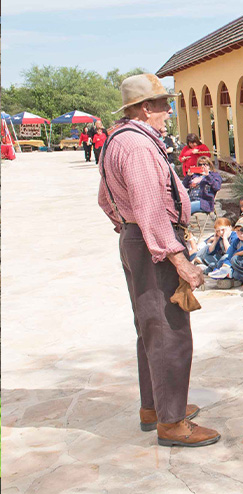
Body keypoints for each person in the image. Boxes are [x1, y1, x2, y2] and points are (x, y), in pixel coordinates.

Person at [98, 73, 217, 447]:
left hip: (139, 240)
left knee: (151, 329)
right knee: (169, 332)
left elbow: (105, 199)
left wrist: (129, 230)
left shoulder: (121, 140)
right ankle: (171, 422)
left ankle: (156, 407)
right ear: (146, 109)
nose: (169, 111)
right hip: (154, 245)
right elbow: (151, 209)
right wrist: (178, 259)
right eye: (165, 105)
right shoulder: (137, 147)